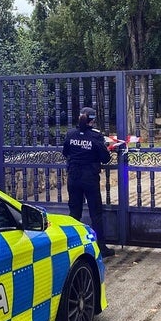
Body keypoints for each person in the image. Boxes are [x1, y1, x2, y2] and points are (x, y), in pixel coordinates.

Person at [62, 106, 115, 257]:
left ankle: (72, 246)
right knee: (96, 213)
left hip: (73, 177)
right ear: (93, 121)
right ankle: (101, 247)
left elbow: (65, 152)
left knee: (74, 212)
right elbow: (105, 158)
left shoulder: (70, 133)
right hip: (89, 178)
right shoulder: (96, 136)